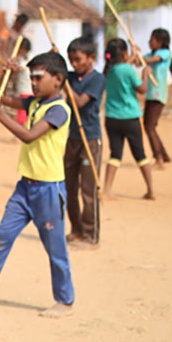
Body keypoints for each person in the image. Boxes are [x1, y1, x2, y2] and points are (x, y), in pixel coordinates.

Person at [0, 51, 76, 319]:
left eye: (38, 78)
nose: (33, 83)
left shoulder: (59, 109)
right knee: (1, 236)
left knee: (54, 247)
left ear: (57, 80)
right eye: (30, 77)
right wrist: (6, 75)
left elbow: (28, 135)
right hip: (25, 187)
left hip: (49, 189)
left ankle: (65, 300)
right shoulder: (34, 103)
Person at [63, 37, 105, 248]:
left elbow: (79, 102)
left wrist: (66, 87)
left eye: (78, 59)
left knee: (88, 190)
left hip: (90, 138)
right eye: (71, 60)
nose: (74, 64)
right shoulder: (69, 76)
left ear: (91, 58)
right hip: (72, 138)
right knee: (69, 187)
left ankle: (91, 235)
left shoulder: (97, 79)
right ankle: (76, 229)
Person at [102, 38, 154, 201]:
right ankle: (151, 190)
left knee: (115, 154)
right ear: (123, 53)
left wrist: (132, 56)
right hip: (130, 118)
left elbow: (122, 67)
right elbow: (142, 89)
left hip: (112, 118)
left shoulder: (108, 70)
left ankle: (107, 190)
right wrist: (145, 74)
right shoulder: (128, 70)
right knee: (140, 154)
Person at [143, 28, 172, 169]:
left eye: (152, 39)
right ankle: (163, 154)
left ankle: (159, 157)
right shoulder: (150, 54)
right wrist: (136, 54)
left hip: (158, 94)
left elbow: (150, 60)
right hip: (150, 93)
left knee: (150, 127)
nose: (150, 42)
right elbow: (140, 61)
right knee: (149, 126)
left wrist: (140, 57)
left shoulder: (164, 53)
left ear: (160, 42)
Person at [9, 37, 32, 125]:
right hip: (22, 89)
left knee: (23, 115)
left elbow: (20, 68)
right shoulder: (21, 58)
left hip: (27, 90)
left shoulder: (28, 58)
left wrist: (13, 67)